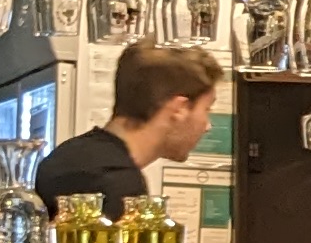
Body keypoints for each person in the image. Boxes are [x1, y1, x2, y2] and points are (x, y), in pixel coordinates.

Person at [33, 43, 221, 215]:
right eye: (207, 109)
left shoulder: (66, 155)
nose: (207, 126)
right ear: (180, 109)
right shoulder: (118, 182)